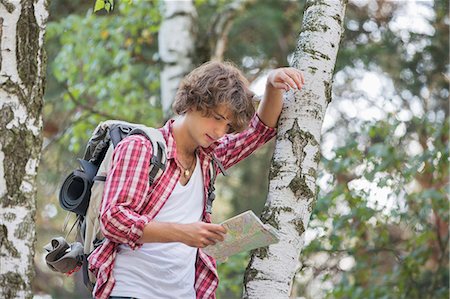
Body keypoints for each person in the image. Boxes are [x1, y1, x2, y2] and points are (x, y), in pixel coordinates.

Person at [88, 61, 305, 299]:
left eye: (228, 124)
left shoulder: (209, 158)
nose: (220, 131)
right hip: (131, 290)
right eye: (216, 117)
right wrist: (183, 233)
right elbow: (114, 219)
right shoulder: (142, 147)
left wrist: (273, 84)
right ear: (193, 101)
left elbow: (258, 132)